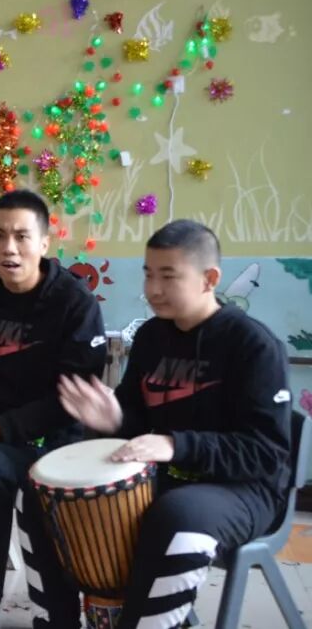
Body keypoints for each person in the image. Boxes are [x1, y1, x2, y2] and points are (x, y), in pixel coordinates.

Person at [54, 220, 290, 628]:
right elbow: (135, 415)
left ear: (209, 279)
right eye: (148, 274)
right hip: (167, 476)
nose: (153, 289)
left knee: (176, 515)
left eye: (168, 276)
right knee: (61, 497)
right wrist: (113, 419)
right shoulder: (150, 337)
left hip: (245, 489)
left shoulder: (253, 344)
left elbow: (266, 453)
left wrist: (175, 444)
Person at [0, 190, 107, 629]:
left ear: (45, 243)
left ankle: (56, 615)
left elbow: (71, 399)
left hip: (55, 442)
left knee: (5, 475)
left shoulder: (75, 303)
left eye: (21, 237)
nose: (8, 248)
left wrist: (3, 424)